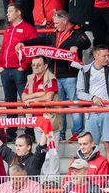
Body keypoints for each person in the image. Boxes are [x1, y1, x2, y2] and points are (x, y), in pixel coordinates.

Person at [19, 10, 90, 142]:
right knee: (58, 106)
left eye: (57, 23)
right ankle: (61, 132)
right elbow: (41, 40)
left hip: (70, 75)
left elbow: (87, 43)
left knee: (74, 104)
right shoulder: (55, 33)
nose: (55, 25)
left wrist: (76, 45)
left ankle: (78, 133)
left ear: (64, 21)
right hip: (55, 76)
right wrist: (26, 43)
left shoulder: (77, 32)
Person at [0, 3, 38, 140]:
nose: (7, 14)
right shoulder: (8, 29)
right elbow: (3, 48)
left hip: (20, 71)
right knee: (9, 102)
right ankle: (11, 132)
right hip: (6, 71)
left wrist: (24, 66)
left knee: (26, 101)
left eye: (10, 11)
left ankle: (30, 132)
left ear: (18, 12)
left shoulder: (29, 29)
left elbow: (34, 50)